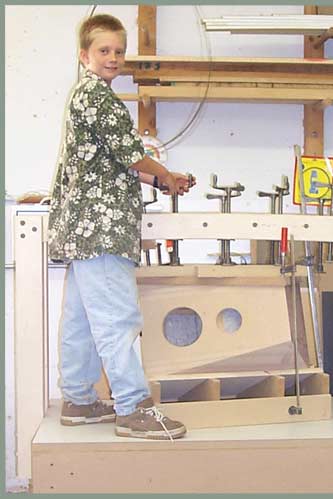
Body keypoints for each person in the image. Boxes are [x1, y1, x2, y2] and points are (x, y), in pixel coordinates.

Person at [48, 13, 195, 440]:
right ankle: (133, 406)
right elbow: (131, 154)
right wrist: (163, 175)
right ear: (84, 56)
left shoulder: (84, 96)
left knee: (80, 319)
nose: (113, 58)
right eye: (103, 51)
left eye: (118, 51)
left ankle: (77, 399)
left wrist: (165, 179)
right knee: (118, 319)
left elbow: (120, 162)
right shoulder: (99, 98)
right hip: (102, 230)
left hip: (83, 230)